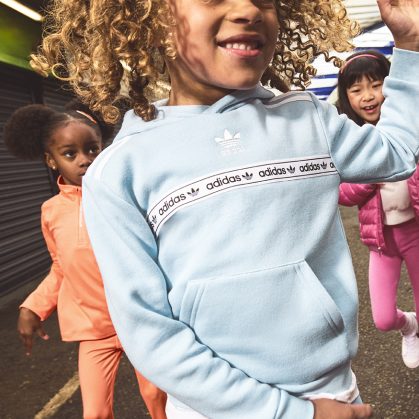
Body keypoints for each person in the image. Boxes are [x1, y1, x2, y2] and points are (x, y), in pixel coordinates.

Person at [29, 0, 419, 418]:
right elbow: (148, 331)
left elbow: (398, 151)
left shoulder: (309, 120)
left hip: (333, 394)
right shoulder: (119, 170)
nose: (248, 9)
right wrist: (292, 414)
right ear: (151, 18)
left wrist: (411, 44)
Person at [4, 102, 167, 419]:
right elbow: (60, 266)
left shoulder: (125, 197)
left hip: (139, 322)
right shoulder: (51, 212)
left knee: (157, 397)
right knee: (95, 413)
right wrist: (33, 306)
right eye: (70, 153)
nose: (85, 160)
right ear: (51, 160)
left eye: (92, 149)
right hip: (94, 330)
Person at [337, 50, 419, 369]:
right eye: (357, 89)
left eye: (376, 85)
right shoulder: (349, 140)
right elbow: (343, 193)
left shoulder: (410, 129)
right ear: (346, 97)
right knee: (383, 318)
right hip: (381, 242)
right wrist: (373, 172)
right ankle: (409, 326)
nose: (368, 96)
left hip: (415, 233)